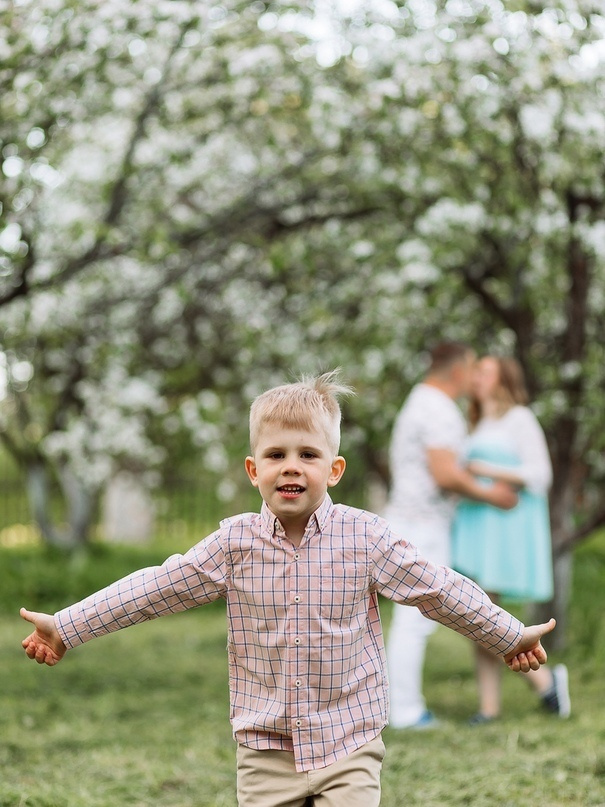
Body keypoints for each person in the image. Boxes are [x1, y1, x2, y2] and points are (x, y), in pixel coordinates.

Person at [21, 371, 555, 807]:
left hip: (349, 742)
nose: (291, 466)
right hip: (265, 750)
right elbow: (157, 588)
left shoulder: (366, 537)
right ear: (254, 470)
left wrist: (507, 634)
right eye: (276, 455)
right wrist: (67, 625)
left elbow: (435, 589)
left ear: (335, 468)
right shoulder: (233, 543)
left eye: (308, 454)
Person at [384, 342, 519, 730]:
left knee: (416, 618)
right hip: (422, 527)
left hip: (414, 522)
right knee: (414, 621)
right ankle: (406, 712)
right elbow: (445, 473)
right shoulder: (437, 409)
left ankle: (400, 707)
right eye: (473, 368)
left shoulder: (420, 401)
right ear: (458, 371)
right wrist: (491, 493)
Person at [452, 355, 570, 724]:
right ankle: (508, 700)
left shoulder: (520, 418)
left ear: (503, 379)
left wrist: (484, 469)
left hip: (503, 529)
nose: (477, 377)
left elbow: (539, 474)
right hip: (476, 527)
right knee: (478, 616)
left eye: (486, 371)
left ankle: (544, 684)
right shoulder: (474, 423)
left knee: (484, 616)